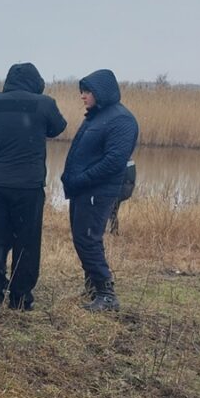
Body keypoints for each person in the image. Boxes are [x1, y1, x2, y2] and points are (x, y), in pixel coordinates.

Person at [0, 63, 66, 310]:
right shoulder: (44, 103)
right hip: (28, 186)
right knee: (27, 242)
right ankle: (20, 299)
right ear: (36, 82)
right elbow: (58, 128)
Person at [61, 70, 139, 312]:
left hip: (97, 191)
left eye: (87, 92)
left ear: (101, 92)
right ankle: (93, 288)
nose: (83, 96)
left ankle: (107, 296)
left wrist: (82, 179)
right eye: (82, 91)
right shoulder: (97, 116)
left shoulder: (121, 120)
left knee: (88, 239)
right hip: (82, 190)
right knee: (82, 238)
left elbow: (114, 161)